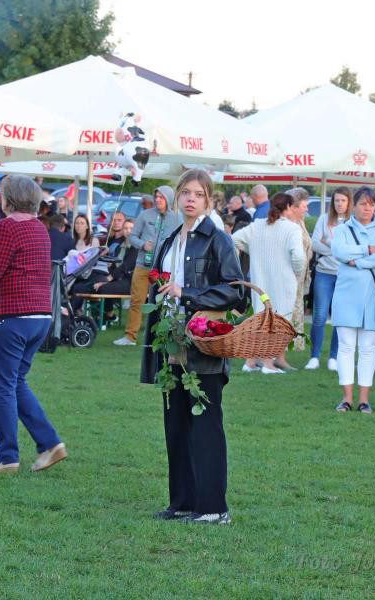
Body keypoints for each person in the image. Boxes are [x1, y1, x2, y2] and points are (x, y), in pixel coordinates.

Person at [140, 168, 244, 525]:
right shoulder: (171, 239)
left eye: (198, 194)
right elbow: (158, 282)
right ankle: (182, 502)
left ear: (208, 199)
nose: (190, 199)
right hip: (171, 340)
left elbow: (235, 290)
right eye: (186, 192)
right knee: (177, 423)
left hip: (204, 341)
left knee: (205, 423)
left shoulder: (218, 239)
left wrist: (188, 293)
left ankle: (213, 507)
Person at [0, 175, 65, 473]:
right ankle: (49, 443)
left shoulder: (4, 228)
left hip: (11, 315)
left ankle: (6, 456)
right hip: (39, 315)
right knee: (15, 382)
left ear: (7, 198)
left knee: (3, 386)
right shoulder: (40, 229)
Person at [330, 187, 375, 413]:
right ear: (354, 205)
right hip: (346, 295)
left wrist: (357, 262)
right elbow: (339, 252)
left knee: (367, 349)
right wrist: (366, 249)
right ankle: (346, 398)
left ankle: (364, 400)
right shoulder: (342, 229)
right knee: (346, 347)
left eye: (371, 204)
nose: (367, 208)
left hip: (372, 297)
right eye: (363, 204)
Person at [233, 193, 306, 373]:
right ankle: (267, 364)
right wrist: (297, 272)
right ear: (288, 207)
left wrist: (253, 250)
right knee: (278, 322)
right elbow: (298, 257)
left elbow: (234, 238)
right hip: (283, 281)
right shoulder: (292, 229)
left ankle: (250, 362)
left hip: (260, 281)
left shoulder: (257, 226)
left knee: (261, 320)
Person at [116, 186, 180, 346]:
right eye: (156, 196)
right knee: (136, 301)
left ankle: (159, 337)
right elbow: (132, 237)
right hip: (142, 266)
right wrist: (142, 244)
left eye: (161, 197)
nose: (157, 199)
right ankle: (130, 337)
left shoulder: (176, 219)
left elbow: (180, 242)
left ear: (169, 199)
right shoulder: (145, 215)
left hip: (163, 270)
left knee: (162, 303)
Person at [306, 187, 352, 371]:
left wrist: (329, 244)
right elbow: (314, 243)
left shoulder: (353, 222)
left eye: (343, 200)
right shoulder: (324, 219)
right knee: (319, 315)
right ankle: (314, 357)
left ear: (349, 202)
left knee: (339, 317)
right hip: (324, 273)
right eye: (337, 200)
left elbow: (351, 248)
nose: (339, 204)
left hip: (344, 275)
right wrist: (337, 250)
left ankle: (333, 357)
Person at [91, 219, 138, 321]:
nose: (128, 231)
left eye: (131, 228)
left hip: (132, 281)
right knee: (94, 282)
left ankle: (106, 315)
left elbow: (125, 266)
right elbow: (114, 264)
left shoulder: (136, 246)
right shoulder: (122, 245)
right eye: (125, 228)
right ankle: (102, 316)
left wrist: (107, 279)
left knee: (103, 288)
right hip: (120, 278)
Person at [287, 188, 313, 353]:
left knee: (296, 310)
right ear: (294, 206)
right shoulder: (288, 224)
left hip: (300, 276)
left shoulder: (300, 221)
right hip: (290, 275)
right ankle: (281, 349)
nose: (307, 209)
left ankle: (289, 349)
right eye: (304, 206)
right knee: (287, 311)